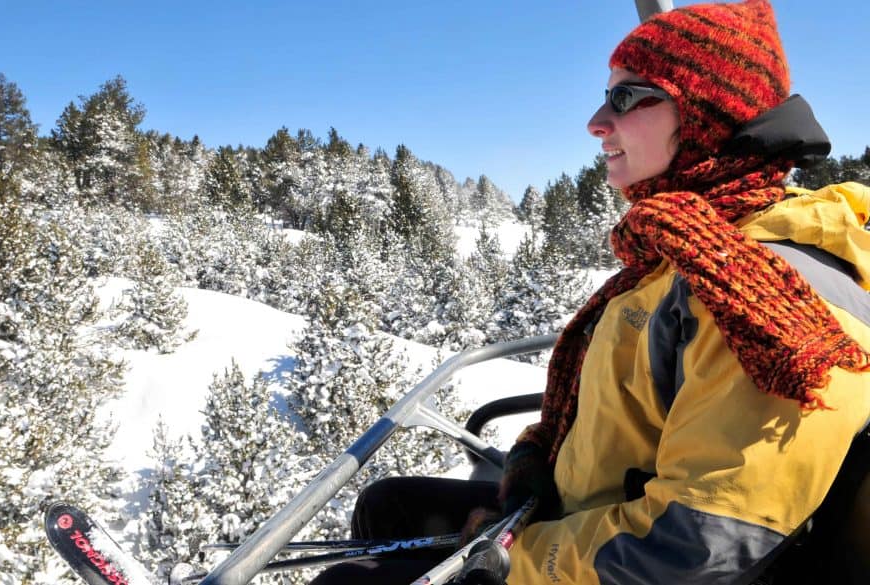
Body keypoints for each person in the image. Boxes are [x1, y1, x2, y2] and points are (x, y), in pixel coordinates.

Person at [310, 0, 870, 583]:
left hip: (631, 557)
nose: (597, 122)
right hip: (589, 514)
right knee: (389, 505)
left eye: (626, 98)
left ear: (704, 114)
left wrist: (511, 560)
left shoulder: (762, 296)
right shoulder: (691, 247)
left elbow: (700, 543)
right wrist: (540, 458)